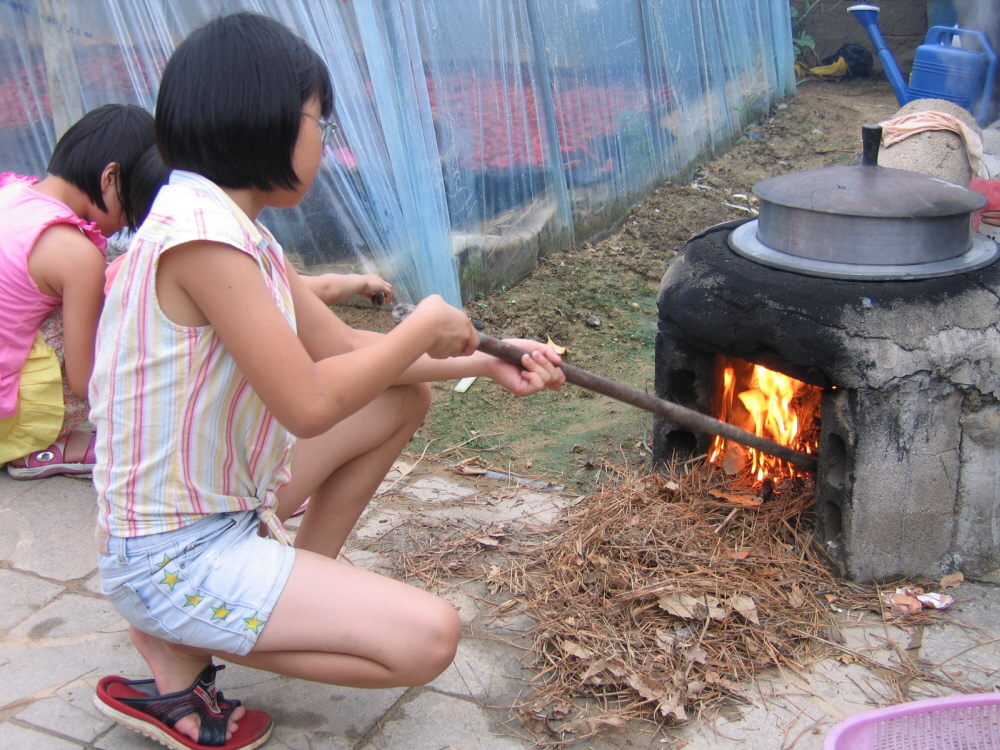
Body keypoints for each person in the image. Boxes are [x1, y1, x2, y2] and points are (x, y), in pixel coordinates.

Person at [89, 12, 564, 750]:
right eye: (320, 121)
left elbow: (345, 349)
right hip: (171, 551)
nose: (323, 141)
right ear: (265, 118)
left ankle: (272, 593)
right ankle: (179, 640)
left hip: (218, 508)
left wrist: (487, 361)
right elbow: (310, 404)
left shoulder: (235, 230)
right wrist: (419, 326)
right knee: (428, 640)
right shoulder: (201, 240)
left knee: (403, 396)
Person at [0, 104, 156, 479]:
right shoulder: (77, 255)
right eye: (132, 211)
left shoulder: (10, 191)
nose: (123, 226)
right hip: (9, 426)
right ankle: (39, 442)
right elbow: (87, 382)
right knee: (103, 310)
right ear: (110, 178)